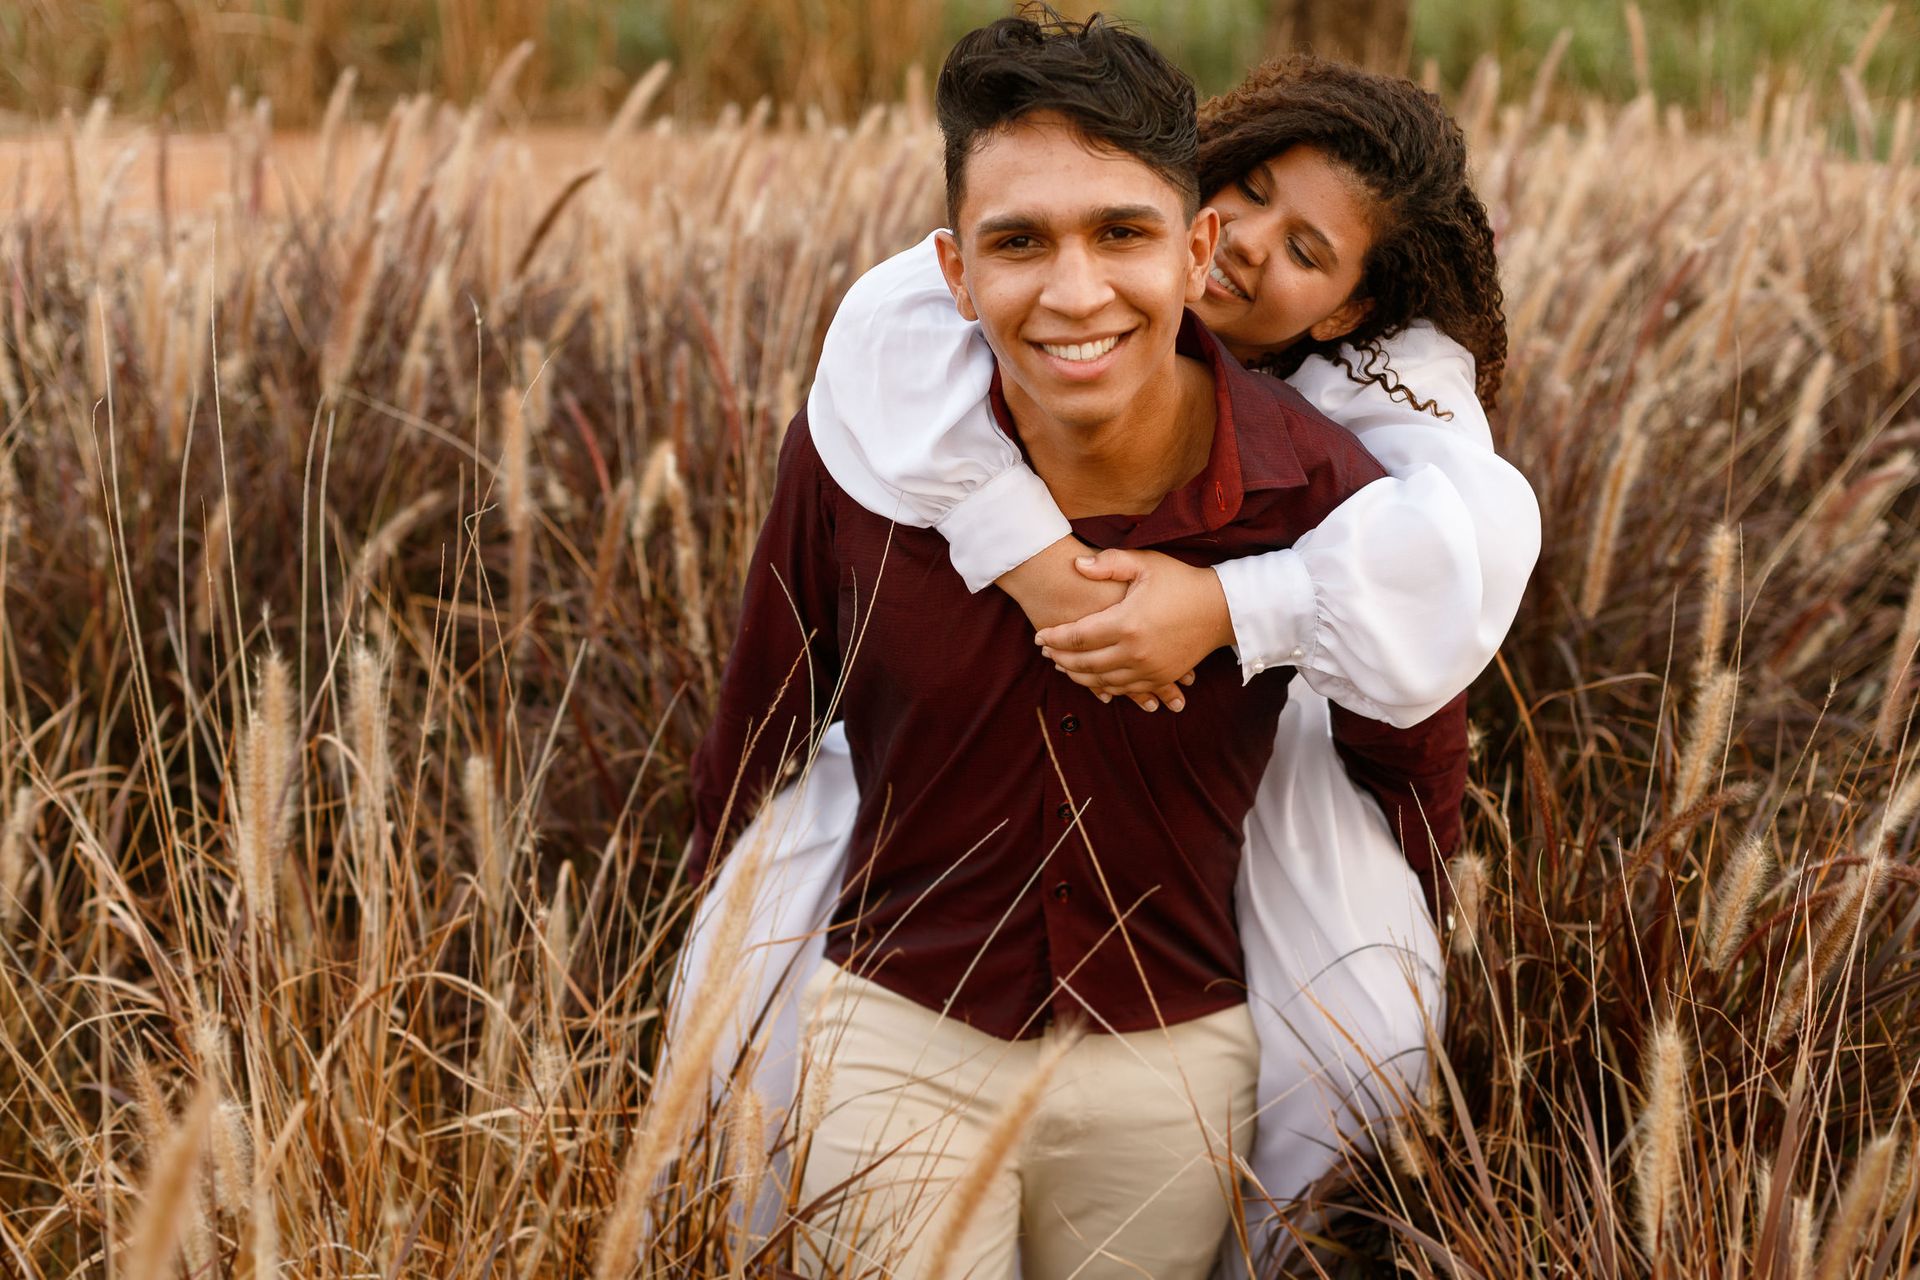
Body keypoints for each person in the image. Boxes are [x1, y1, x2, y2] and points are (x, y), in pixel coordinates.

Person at [685, 14, 1476, 1279]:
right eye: (1019, 242)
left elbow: (1408, 767)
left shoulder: (1331, 505)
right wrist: (701, 976)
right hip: (892, 1037)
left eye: (1120, 233)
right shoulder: (866, 453)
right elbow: (760, 726)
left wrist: (1421, 992)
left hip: (1173, 1069)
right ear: (955, 272)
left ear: (1190, 248)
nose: (1074, 291)